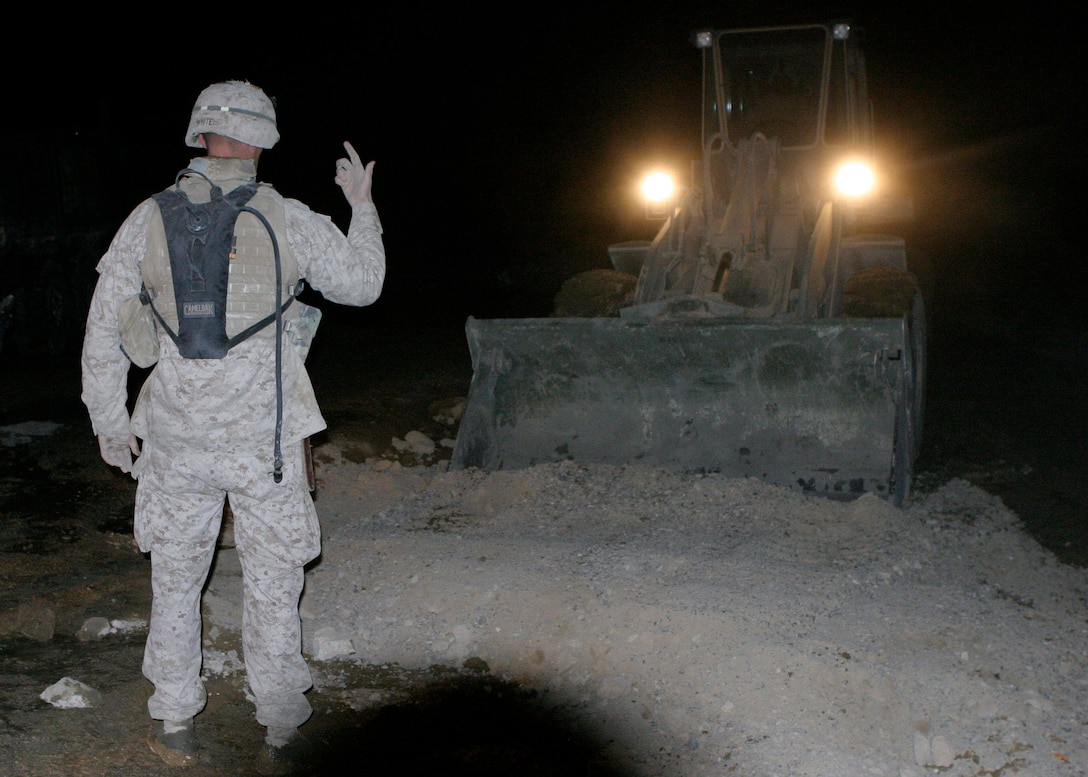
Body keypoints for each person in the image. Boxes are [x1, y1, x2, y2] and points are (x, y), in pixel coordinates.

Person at [80, 79, 386, 768]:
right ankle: (280, 725)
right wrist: (362, 207)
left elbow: (102, 328)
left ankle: (175, 720)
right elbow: (365, 284)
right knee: (273, 581)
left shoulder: (147, 218)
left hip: (175, 442)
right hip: (265, 443)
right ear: (262, 141)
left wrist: (108, 420)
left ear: (198, 134)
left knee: (176, 581)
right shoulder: (288, 216)